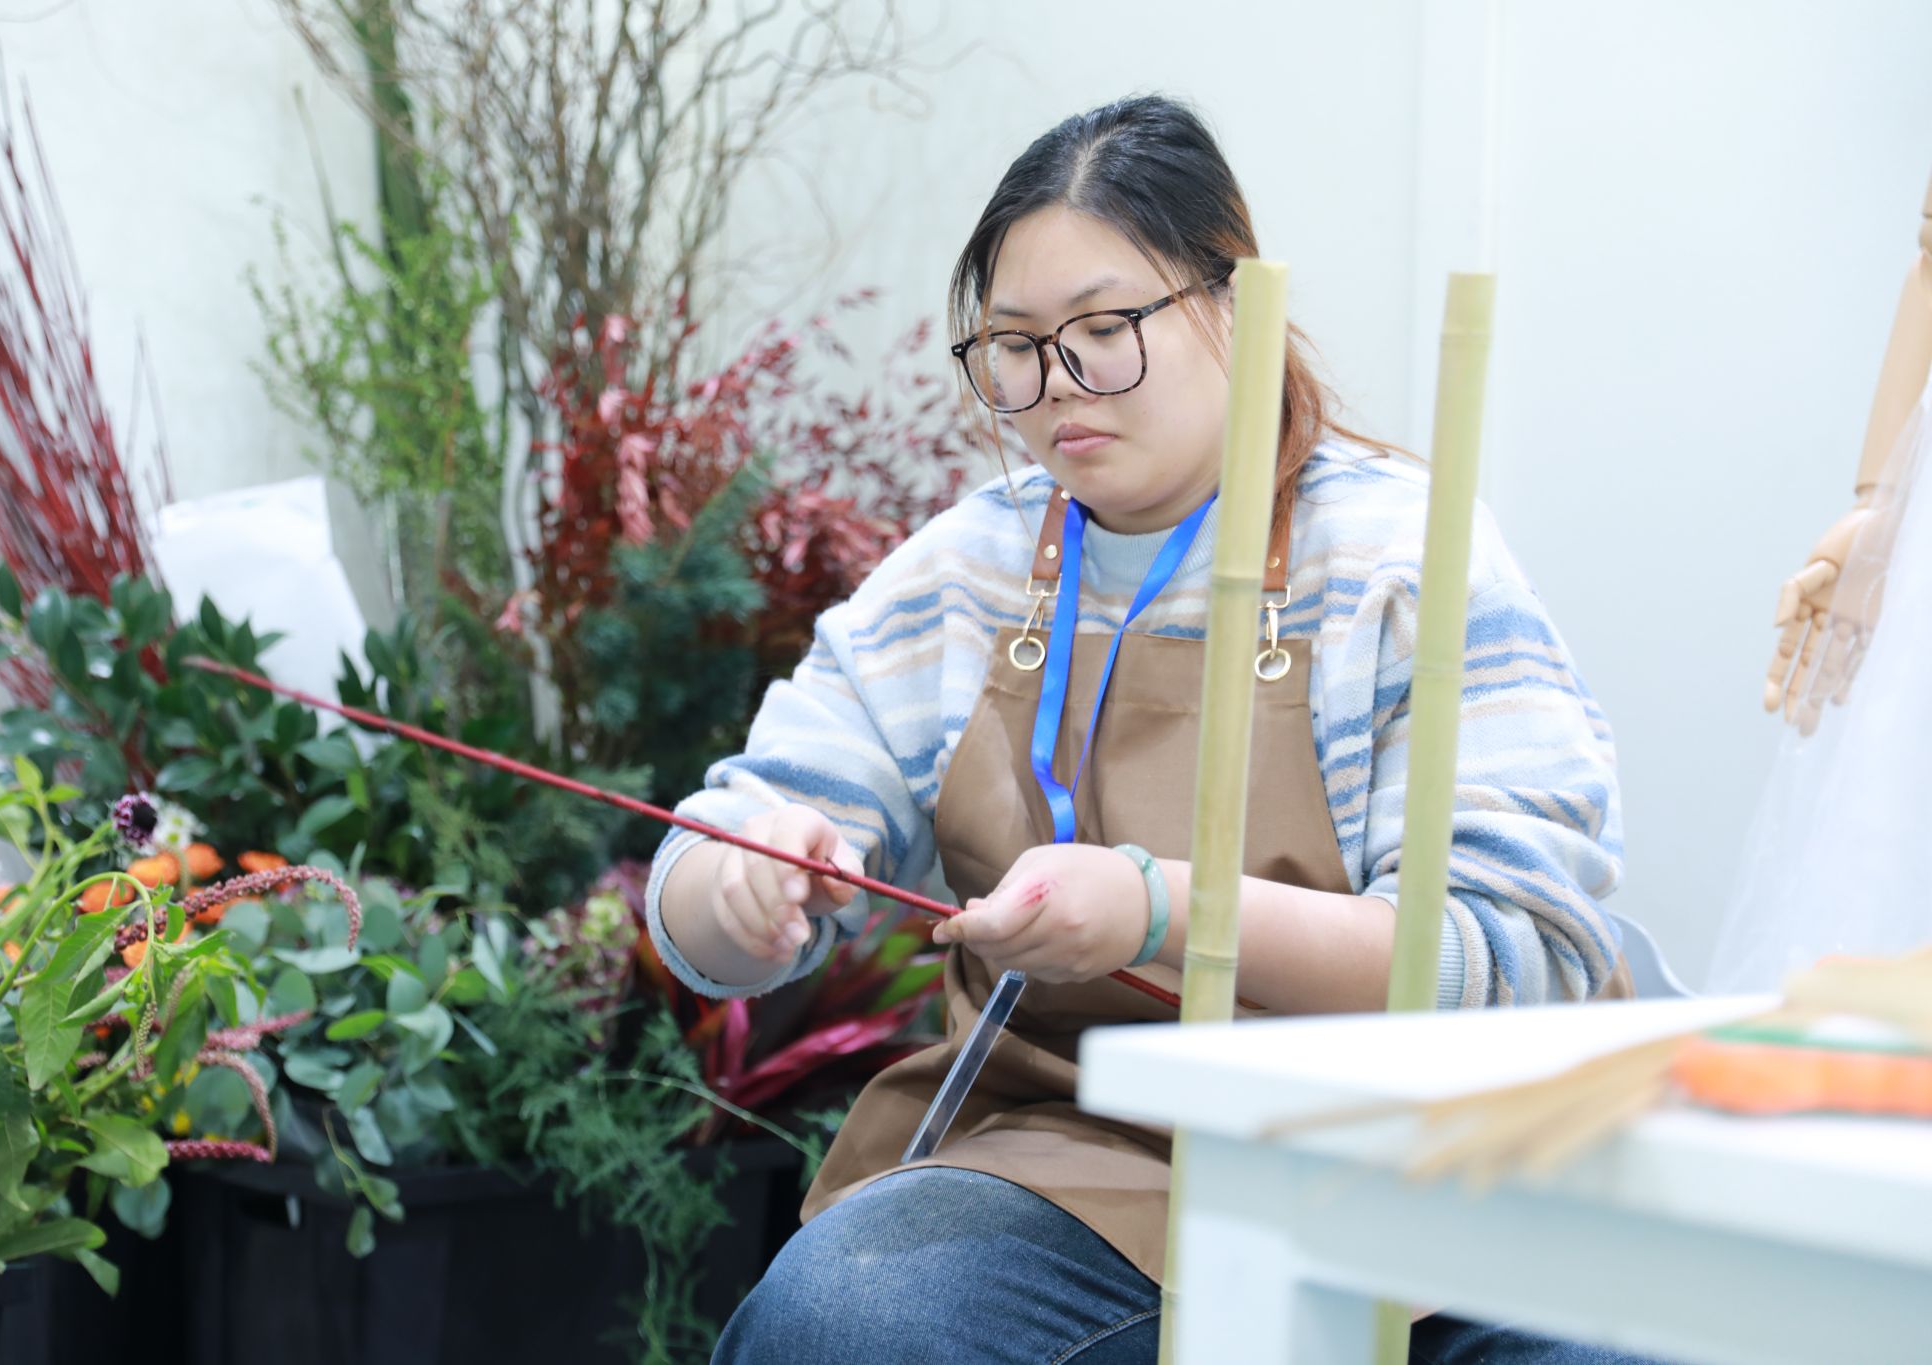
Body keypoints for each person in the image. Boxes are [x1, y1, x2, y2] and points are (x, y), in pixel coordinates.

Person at [648, 94, 1643, 1364]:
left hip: (1421, 1157)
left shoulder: (1398, 556)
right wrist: (738, 888)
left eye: (1104, 330)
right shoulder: (964, 572)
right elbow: (712, 869)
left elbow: (1511, 952)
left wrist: (1160, 911)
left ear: (1229, 303)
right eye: (1014, 345)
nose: (1056, 386)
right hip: (1082, 1154)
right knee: (842, 1323)